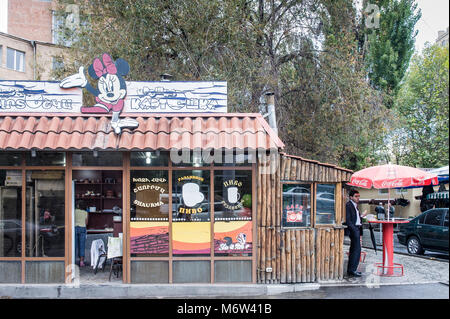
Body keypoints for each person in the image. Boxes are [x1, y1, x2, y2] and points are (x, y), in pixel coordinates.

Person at [344, 189, 366, 277]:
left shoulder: (355, 205)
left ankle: (353, 269)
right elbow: (348, 220)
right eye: (356, 196)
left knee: (357, 250)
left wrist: (361, 216)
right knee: (355, 250)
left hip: (357, 228)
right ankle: (352, 270)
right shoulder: (348, 205)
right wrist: (354, 230)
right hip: (354, 229)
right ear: (351, 197)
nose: (358, 198)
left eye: (358, 196)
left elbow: (355, 218)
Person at [75, 200, 89, 267]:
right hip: (82, 228)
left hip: (75, 228)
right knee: (82, 246)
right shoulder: (85, 212)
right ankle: (81, 262)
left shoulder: (74, 211)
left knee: (74, 245)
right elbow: (86, 223)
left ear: (78, 205)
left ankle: (73, 260)